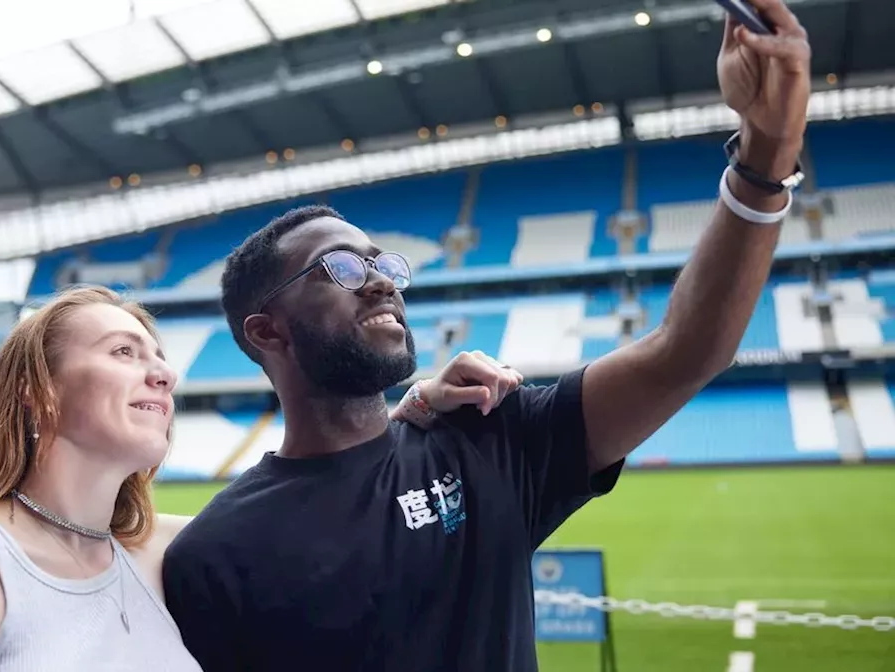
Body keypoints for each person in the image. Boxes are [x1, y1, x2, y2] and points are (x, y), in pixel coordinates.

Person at [161, 2, 813, 669]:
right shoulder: (216, 555)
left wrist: (763, 157)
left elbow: (686, 353)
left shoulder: (487, 439)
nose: (382, 281)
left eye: (384, 264)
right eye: (344, 268)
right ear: (267, 331)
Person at [0, 283, 520, 671]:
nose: (163, 373)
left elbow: (328, 503)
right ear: (39, 394)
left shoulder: (175, 552)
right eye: (124, 352)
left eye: (160, 357)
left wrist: (410, 409)